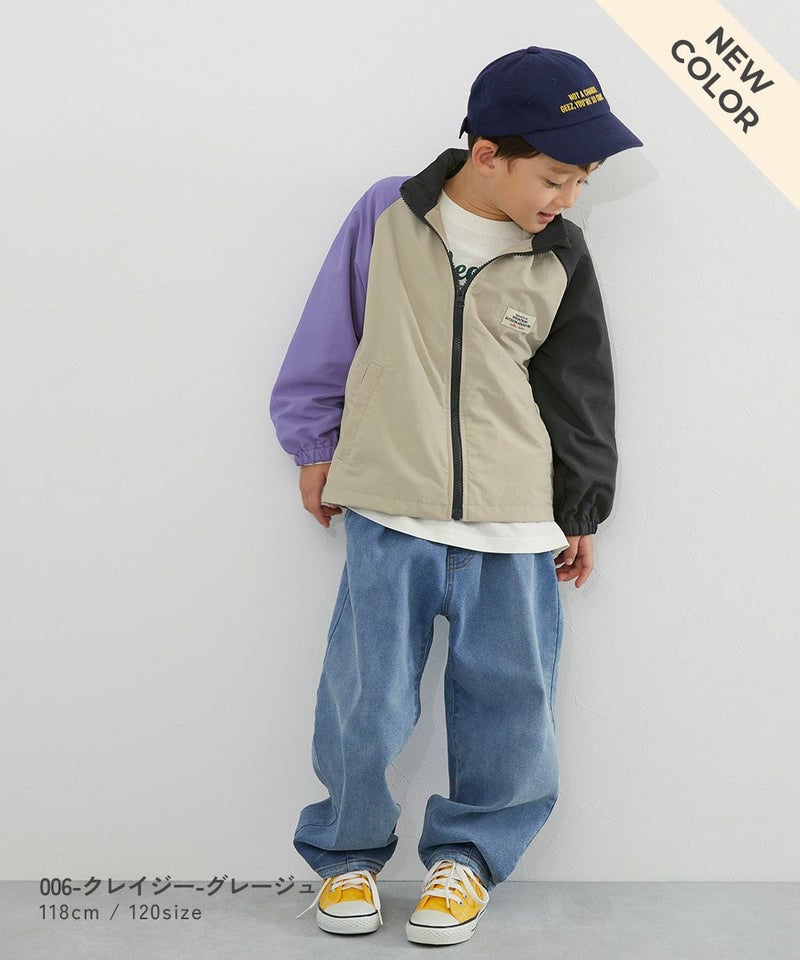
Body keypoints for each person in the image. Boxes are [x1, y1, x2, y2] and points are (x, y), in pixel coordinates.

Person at [269, 45, 643, 946]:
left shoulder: (560, 252)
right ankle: (347, 855)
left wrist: (581, 508)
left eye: (583, 180)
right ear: (486, 154)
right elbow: (330, 330)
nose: (568, 197)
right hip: (389, 506)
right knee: (365, 702)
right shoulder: (387, 213)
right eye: (555, 176)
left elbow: (579, 390)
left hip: (515, 520)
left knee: (511, 705)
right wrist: (314, 441)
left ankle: (467, 861)